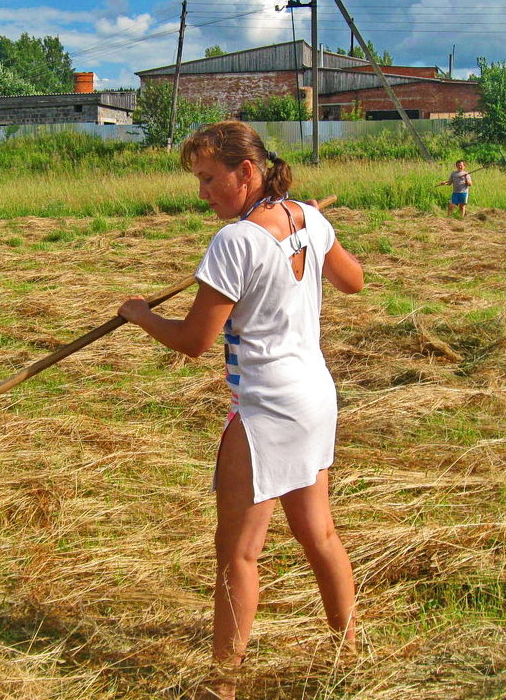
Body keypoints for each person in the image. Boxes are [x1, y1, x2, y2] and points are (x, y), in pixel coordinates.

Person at [117, 121, 363, 699]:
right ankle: (349, 651)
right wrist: (313, 241)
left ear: (245, 171)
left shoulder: (234, 243)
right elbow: (353, 280)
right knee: (318, 532)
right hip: (314, 396)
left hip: (265, 407)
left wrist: (138, 314)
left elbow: (195, 341)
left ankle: (220, 688)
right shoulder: (307, 216)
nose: (202, 191)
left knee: (239, 555)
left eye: (208, 178)